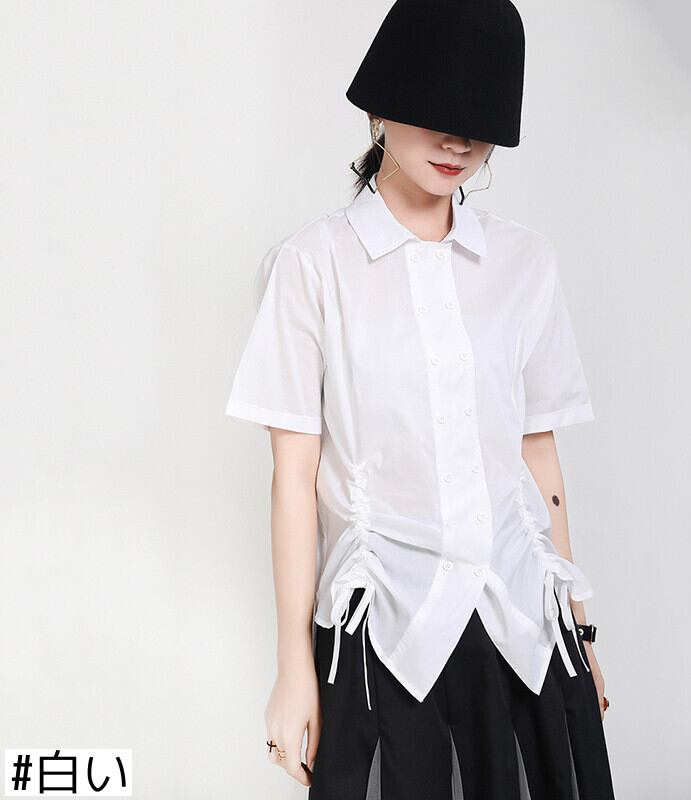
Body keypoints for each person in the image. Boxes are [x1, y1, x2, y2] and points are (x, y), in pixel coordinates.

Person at [225, 0, 615, 797]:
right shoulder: (311, 266)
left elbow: (537, 456)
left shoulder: (524, 263)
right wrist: (293, 668)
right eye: (437, 113)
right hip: (387, 629)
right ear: (379, 109)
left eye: (480, 124)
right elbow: (294, 477)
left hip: (526, 625)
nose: (458, 142)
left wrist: (580, 629)